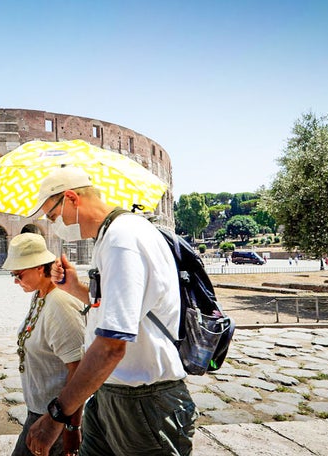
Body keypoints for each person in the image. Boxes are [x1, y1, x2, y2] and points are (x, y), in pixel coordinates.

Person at [25, 166, 197, 456]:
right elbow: (121, 309)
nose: (54, 224)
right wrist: (76, 288)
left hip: (143, 403)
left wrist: (58, 414)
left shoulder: (122, 239)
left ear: (71, 198)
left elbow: (111, 347)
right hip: (112, 393)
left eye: (53, 215)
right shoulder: (111, 236)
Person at [5, 233, 85, 456]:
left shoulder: (60, 303)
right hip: (41, 411)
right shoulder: (41, 295)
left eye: (19, 275)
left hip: (56, 416)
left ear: (39, 268)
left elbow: (78, 368)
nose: (15, 281)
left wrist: (70, 426)